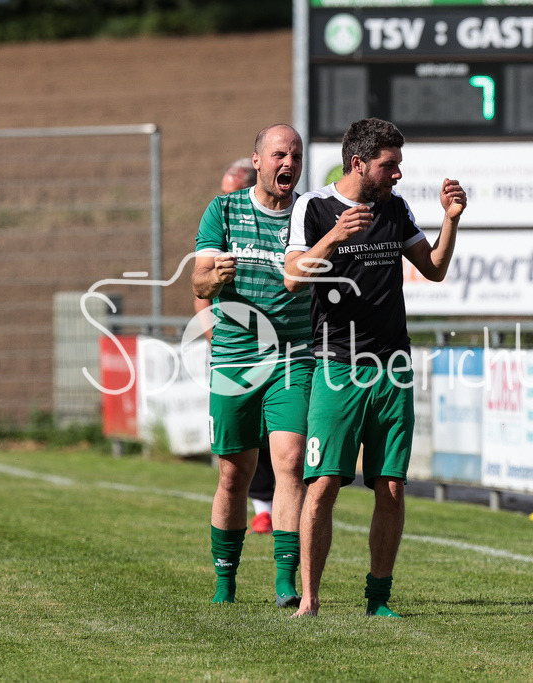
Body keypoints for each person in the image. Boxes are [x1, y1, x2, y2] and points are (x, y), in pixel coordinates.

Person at [284, 117, 466, 618]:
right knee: (323, 485)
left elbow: (434, 268)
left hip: (393, 366)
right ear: (359, 163)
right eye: (390, 165)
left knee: (391, 487)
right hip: (337, 367)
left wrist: (451, 219)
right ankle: (309, 600)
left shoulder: (395, 207)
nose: (398, 174)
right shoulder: (314, 207)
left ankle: (378, 599)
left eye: (399, 164)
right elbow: (293, 278)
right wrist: (334, 237)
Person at [192, 124, 313, 607]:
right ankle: (225, 582)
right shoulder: (222, 210)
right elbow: (199, 284)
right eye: (280, 155)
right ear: (258, 160)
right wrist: (213, 278)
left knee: (291, 463)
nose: (289, 164)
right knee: (233, 474)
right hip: (237, 355)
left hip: (294, 355)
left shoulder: (309, 213)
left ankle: (286, 581)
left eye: (296, 156)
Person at [198, 157, 278, 535]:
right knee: (240, 449)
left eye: (232, 192)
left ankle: (279, 516)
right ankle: (262, 507)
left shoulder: (286, 220)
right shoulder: (221, 219)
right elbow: (201, 291)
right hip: (235, 352)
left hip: (284, 352)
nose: (226, 199)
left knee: (284, 441)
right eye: (223, 192)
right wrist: (215, 340)